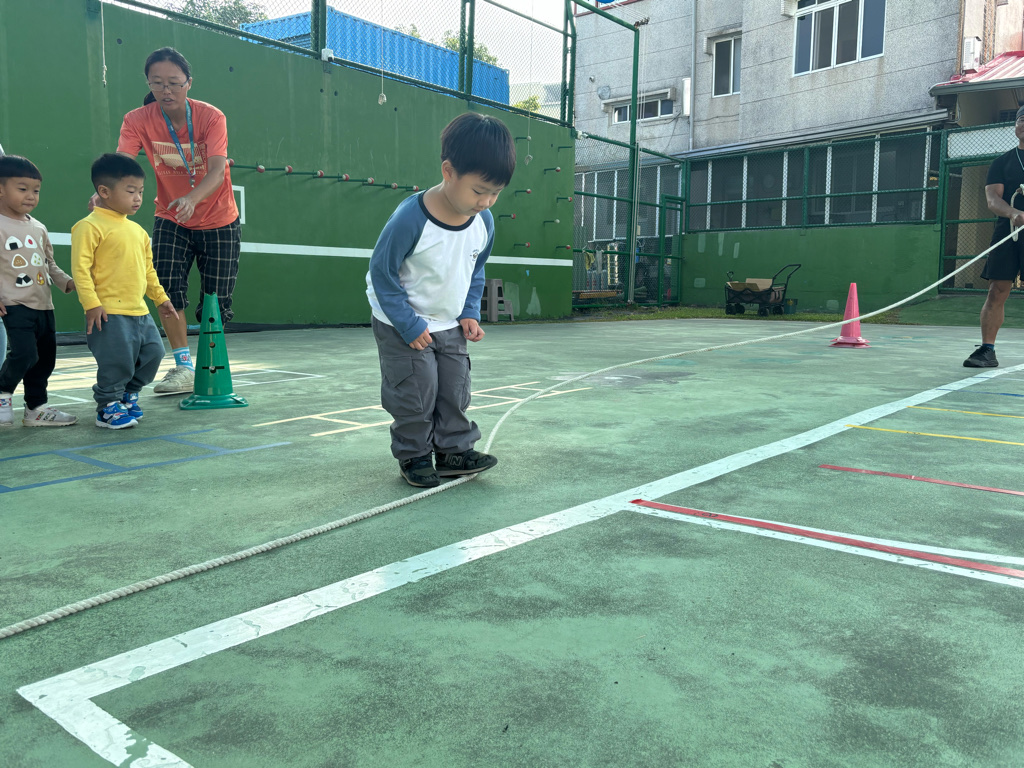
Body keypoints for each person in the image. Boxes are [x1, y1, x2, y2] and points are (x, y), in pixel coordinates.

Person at [366, 112, 515, 487]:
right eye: (479, 190)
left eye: (495, 193)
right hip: (402, 321)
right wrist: (407, 323)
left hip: (449, 321)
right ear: (449, 171)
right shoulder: (410, 219)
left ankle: (453, 452)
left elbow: (474, 268)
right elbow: (381, 273)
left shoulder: (484, 222)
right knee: (415, 391)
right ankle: (414, 455)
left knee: (454, 388)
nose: (486, 201)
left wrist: (468, 312)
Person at [112, 47, 240, 394]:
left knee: (216, 301)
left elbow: (218, 170)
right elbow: (122, 164)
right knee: (167, 290)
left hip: (219, 219)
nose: (165, 90)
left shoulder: (211, 117)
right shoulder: (137, 119)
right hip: (170, 216)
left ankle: (211, 364)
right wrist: (105, 191)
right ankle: (183, 367)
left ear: (188, 83)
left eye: (173, 82)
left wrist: (193, 198)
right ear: (148, 84)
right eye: (157, 83)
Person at [73, 154, 179, 429]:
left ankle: (127, 395)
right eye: (130, 191)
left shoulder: (138, 231)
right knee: (116, 361)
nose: (138, 198)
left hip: (139, 311)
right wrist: (91, 304)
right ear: (104, 191)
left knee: (153, 354)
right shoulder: (89, 226)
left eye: (141, 192)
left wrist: (161, 298)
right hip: (108, 312)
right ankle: (107, 406)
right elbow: (81, 269)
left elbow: (148, 270)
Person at [0, 155, 78, 427]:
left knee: (45, 360)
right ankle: (2, 393)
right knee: (24, 354)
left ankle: (35, 408)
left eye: (36, 190)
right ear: (0, 189)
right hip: (14, 303)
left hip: (44, 305)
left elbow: (49, 264)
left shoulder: (39, 227)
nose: (31, 196)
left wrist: (69, 282)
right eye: (22, 189)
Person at [964, 104, 1024, 368]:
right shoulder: (1002, 162)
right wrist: (1013, 213)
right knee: (997, 290)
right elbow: (992, 199)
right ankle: (987, 350)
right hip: (1009, 232)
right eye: (1021, 119)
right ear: (1015, 126)